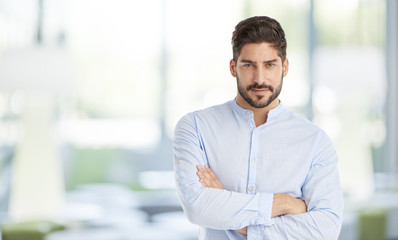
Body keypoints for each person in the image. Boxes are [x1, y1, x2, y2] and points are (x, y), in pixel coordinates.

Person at [173, 16, 343, 239]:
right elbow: (197, 207)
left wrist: (224, 202)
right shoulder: (195, 127)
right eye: (248, 65)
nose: (259, 78)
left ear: (285, 67)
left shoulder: (315, 141)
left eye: (270, 65)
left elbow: (325, 229)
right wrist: (283, 203)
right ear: (233, 67)